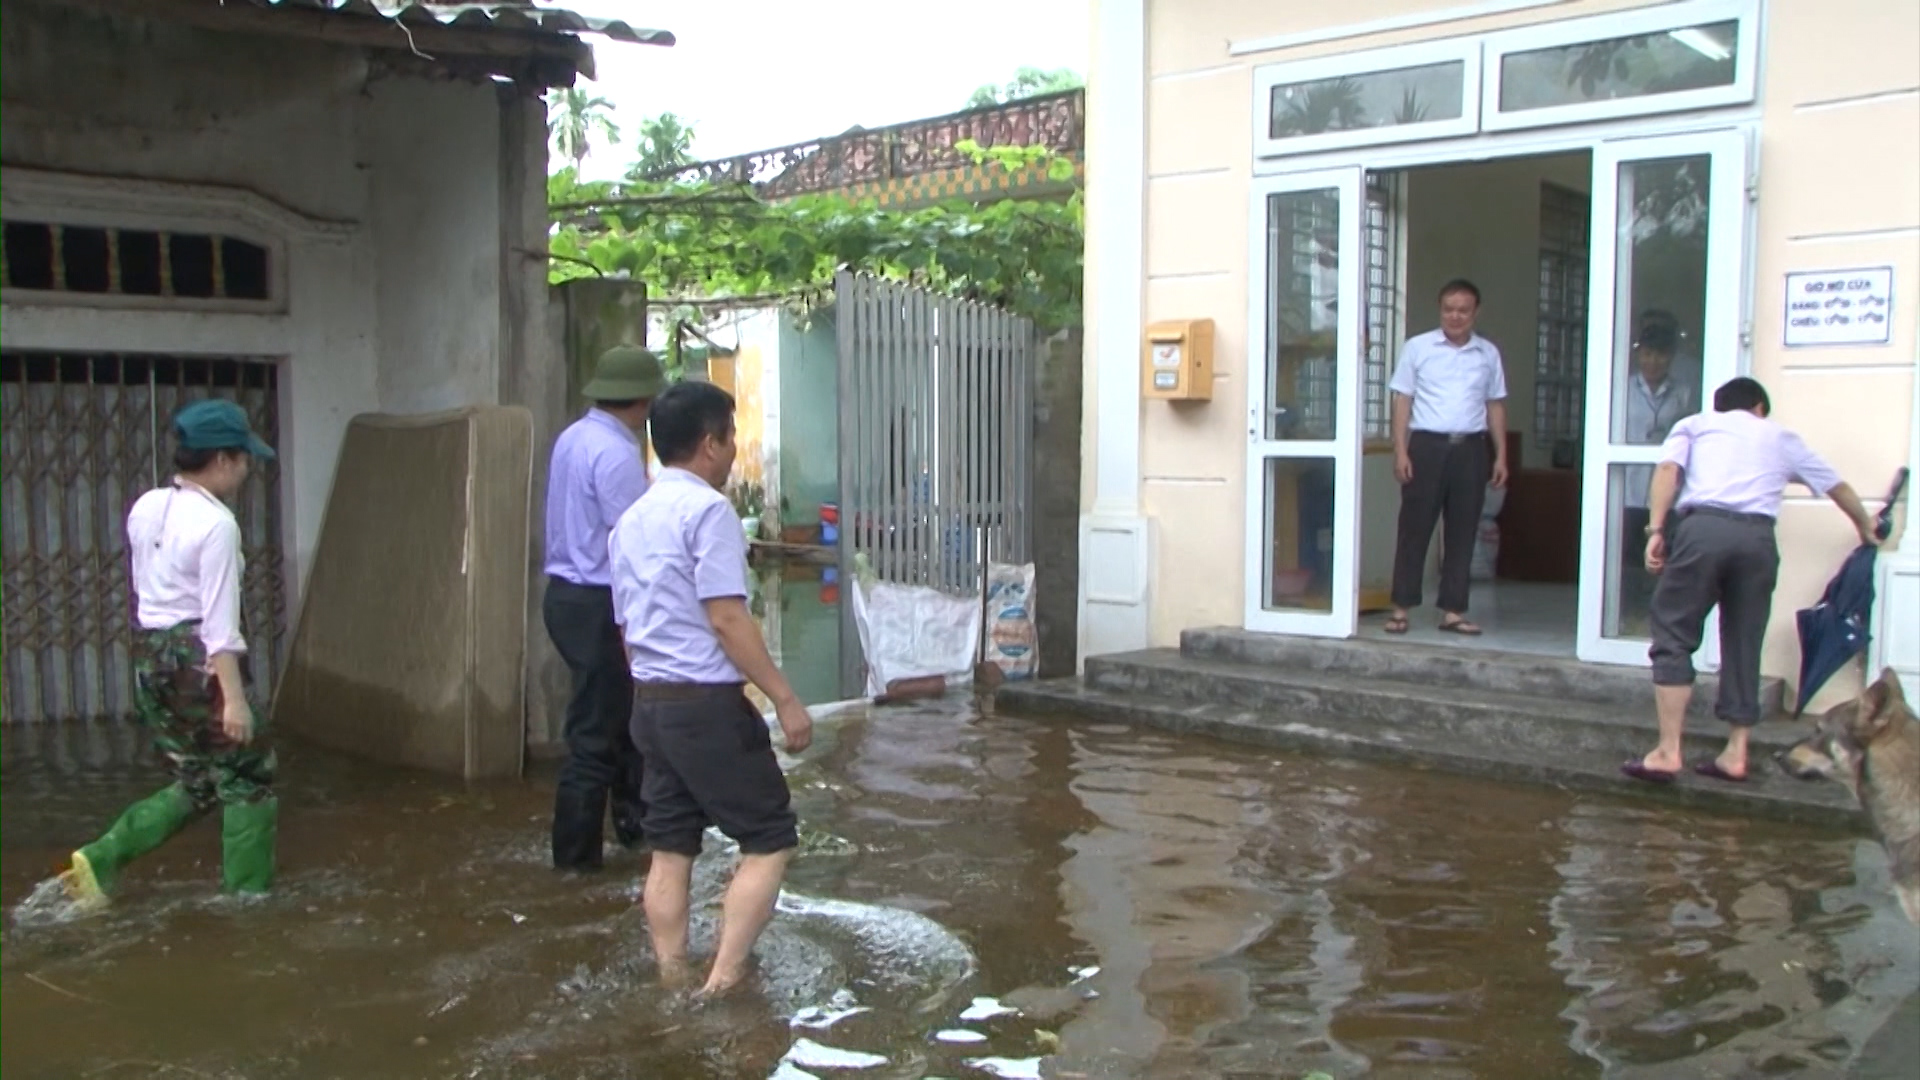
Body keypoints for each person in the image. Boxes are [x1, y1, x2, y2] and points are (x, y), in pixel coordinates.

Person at [609, 379, 813, 997]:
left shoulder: (631, 521)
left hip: (651, 702)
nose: (732, 452)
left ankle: (672, 976)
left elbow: (625, 628)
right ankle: (720, 982)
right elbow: (727, 616)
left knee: (669, 847)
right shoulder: (708, 511)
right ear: (708, 444)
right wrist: (783, 697)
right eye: (730, 438)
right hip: (704, 704)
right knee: (770, 838)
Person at [61, 399, 279, 908]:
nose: (248, 469)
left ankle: (102, 857)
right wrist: (234, 701)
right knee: (249, 777)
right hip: (199, 659)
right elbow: (220, 629)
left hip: (151, 657)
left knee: (200, 778)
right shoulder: (217, 526)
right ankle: (249, 904)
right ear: (222, 460)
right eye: (244, 458)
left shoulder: (147, 505)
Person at [1623, 377, 1879, 785]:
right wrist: (1866, 527)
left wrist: (1655, 529)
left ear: (1720, 406)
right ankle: (1735, 753)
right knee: (1744, 639)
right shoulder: (1779, 436)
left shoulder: (1696, 425)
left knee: (1673, 633)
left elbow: (1669, 469)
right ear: (1760, 407)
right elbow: (1837, 486)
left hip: (1702, 530)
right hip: (1757, 538)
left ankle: (1669, 751)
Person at [545, 345, 667, 871]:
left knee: (620, 721)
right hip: (599, 601)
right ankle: (575, 865)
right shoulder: (616, 454)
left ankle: (634, 831)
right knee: (595, 737)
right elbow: (634, 537)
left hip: (567, 596)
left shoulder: (574, 437)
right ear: (641, 402)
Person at [1385, 278, 1511, 636]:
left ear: (1475, 313)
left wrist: (1501, 455)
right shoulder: (1418, 348)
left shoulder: (1487, 354)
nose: (1455, 316)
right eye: (1449, 309)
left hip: (1471, 448)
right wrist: (1401, 449)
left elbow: (1495, 404)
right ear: (1441, 310)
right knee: (1415, 527)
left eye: (1463, 310)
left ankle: (1453, 610)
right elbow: (1403, 399)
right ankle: (1401, 608)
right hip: (1426, 446)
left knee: (1462, 530)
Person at [1620, 312, 1702, 613]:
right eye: (1648, 354)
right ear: (1639, 354)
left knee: (1661, 553)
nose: (1653, 362)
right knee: (1627, 553)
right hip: (1627, 484)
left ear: (1671, 358)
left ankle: (1653, 612)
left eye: (1661, 356)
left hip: (1664, 485)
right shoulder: (1622, 389)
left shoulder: (1682, 393)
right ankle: (1626, 611)